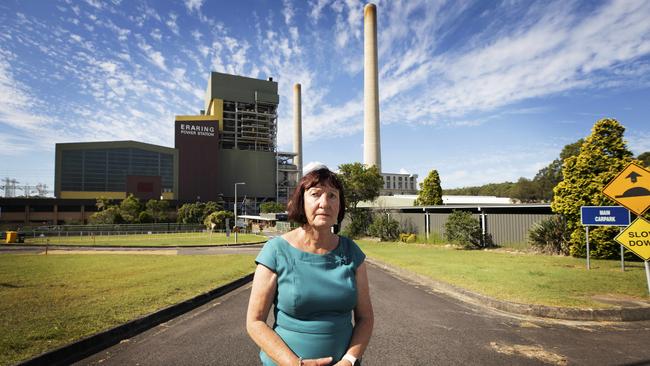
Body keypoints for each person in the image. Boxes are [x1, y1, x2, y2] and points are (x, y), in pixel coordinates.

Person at [246, 167, 374, 366]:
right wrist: (294, 363)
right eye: (315, 194)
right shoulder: (275, 251)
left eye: (332, 196)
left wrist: (348, 360)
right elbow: (255, 322)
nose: (325, 203)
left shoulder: (352, 252)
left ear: (340, 206)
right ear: (301, 202)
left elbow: (365, 318)